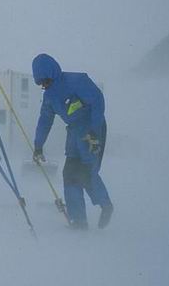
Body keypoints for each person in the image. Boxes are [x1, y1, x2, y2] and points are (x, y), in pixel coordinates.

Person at [32, 53, 113, 230]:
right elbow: (45, 121)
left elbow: (98, 100)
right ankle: (79, 221)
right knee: (69, 173)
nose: (44, 86)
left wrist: (94, 129)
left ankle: (106, 205)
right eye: (41, 84)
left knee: (86, 171)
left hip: (92, 129)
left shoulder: (76, 81)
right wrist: (38, 146)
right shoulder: (49, 98)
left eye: (45, 81)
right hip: (74, 133)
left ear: (52, 73)